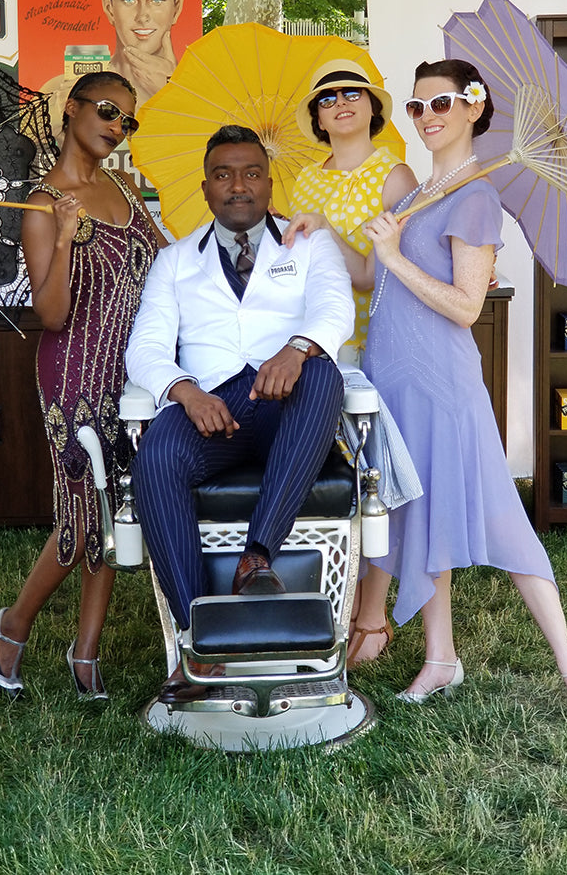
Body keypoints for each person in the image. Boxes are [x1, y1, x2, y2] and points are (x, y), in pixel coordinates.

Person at [358, 58, 567, 736]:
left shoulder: (475, 196)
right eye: (416, 107)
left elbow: (467, 305)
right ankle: (440, 657)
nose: (426, 117)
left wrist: (393, 258)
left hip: (443, 388)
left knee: (505, 525)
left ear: (474, 108)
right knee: (428, 513)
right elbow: (378, 277)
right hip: (399, 383)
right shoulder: (420, 188)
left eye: (440, 102)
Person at [125, 124, 355, 703]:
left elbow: (335, 310)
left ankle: (257, 557)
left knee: (323, 369)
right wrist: (185, 390)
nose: (238, 186)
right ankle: (194, 642)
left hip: (289, 409)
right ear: (206, 189)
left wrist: (297, 348)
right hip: (214, 410)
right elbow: (146, 347)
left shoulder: (309, 243)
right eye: (223, 175)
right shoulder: (175, 260)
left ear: (268, 182)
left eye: (251, 173)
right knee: (155, 458)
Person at [0, 71, 166, 700]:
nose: (118, 127)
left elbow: (165, 259)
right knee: (76, 518)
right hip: (72, 373)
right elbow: (53, 313)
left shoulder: (121, 188)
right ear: (73, 109)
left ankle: (85, 652)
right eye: (109, 111)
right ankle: (11, 626)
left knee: (115, 513)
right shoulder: (42, 201)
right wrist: (62, 236)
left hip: (130, 376)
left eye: (128, 120)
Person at [289, 57, 419, 669]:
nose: (340, 103)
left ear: (373, 107)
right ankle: (328, 602)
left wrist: (328, 234)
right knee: (330, 479)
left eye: (352, 94)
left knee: (375, 479)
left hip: (374, 345)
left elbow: (372, 275)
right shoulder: (301, 183)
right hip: (321, 348)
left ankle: (373, 614)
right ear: (316, 117)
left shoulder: (394, 177)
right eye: (327, 98)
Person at [102, 0, 185, 106]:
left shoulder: (199, 95)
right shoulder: (68, 90)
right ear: (109, 8)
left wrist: (172, 90)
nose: (142, 16)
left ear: (176, 8)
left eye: (157, 0)